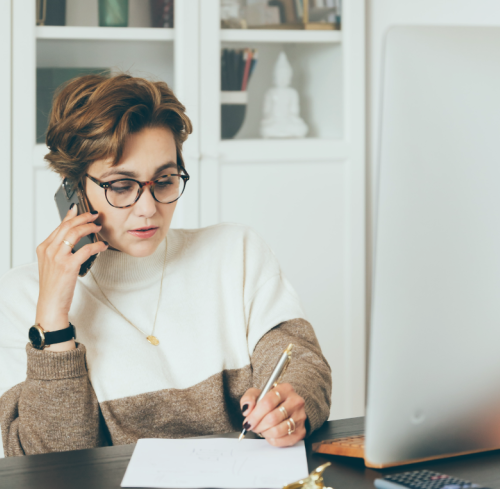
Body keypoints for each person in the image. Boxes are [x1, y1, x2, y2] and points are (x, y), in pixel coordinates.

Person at [0, 74, 332, 457]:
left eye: (165, 180)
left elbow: (301, 363)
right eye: (121, 186)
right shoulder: (24, 297)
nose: (148, 209)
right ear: (73, 188)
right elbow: (49, 463)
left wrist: (293, 401)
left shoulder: (235, 252)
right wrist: (54, 322)